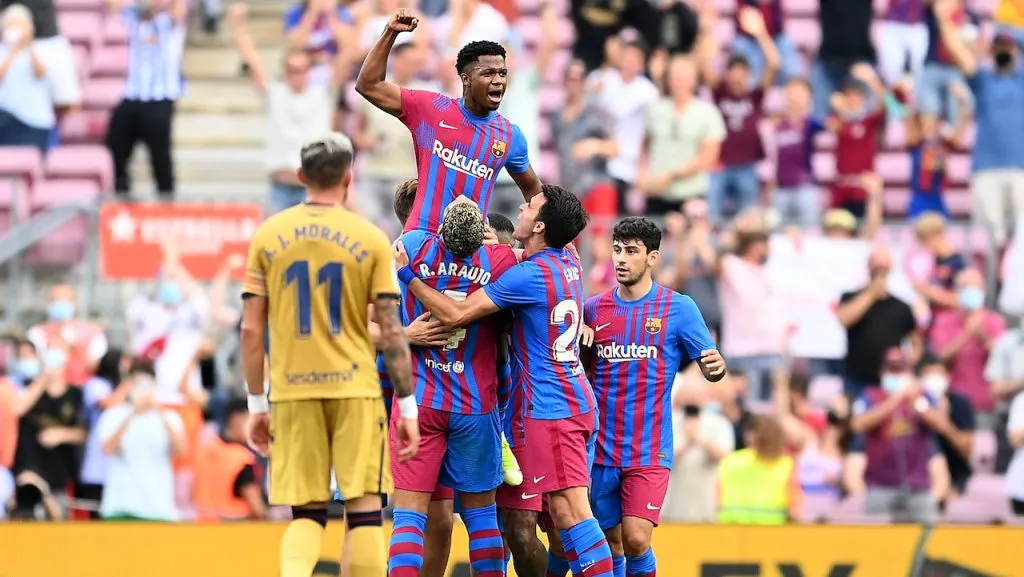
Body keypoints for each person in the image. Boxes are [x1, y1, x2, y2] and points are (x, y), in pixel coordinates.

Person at [395, 185, 614, 577]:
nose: (522, 206)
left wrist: (408, 275)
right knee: (551, 516)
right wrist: (507, 250)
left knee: (571, 514)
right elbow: (555, 241)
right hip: (569, 398)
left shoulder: (524, 275)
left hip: (550, 406)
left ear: (541, 225)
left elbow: (458, 314)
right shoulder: (567, 260)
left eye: (530, 205)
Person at [240, 133, 418, 577]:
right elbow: (392, 330)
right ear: (348, 178)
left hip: (292, 391)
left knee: (307, 516)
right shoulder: (370, 238)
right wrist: (408, 404)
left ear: (300, 177)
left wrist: (255, 405)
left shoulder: (268, 235)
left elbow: (249, 329)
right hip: (354, 390)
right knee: (364, 514)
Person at [577, 217, 725, 577]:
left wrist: (715, 366)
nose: (621, 259)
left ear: (653, 257)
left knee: (637, 539)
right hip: (601, 448)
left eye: (631, 251)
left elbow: (710, 363)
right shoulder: (593, 310)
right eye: (616, 250)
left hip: (649, 448)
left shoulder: (679, 308)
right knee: (609, 541)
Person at [385, 198, 518, 577]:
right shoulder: (500, 262)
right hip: (474, 405)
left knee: (410, 519)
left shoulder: (411, 248)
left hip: (421, 400)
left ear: (440, 231)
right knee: (481, 520)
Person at [355, 9, 542, 234]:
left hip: (468, 255)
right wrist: (390, 33)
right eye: (488, 74)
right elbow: (369, 85)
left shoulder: (510, 136)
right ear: (466, 79)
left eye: (502, 74)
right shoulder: (430, 109)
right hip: (421, 244)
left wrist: (553, 242)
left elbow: (534, 191)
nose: (498, 81)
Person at [103, 0, 187, 200]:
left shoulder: (170, 21)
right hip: (133, 96)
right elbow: (112, 5)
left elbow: (177, 10)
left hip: (160, 99)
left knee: (160, 156)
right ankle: (122, 196)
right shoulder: (134, 18)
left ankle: (166, 202)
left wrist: (158, 6)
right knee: (115, 146)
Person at [97, 358, 185, 521]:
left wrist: (158, 409)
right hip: (120, 505)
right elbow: (107, 449)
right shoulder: (114, 414)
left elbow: (181, 450)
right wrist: (132, 413)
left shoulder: (170, 417)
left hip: (158, 507)